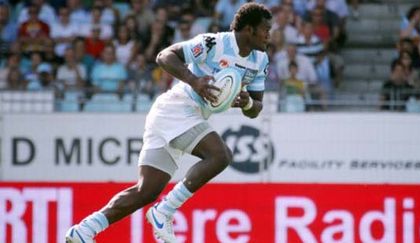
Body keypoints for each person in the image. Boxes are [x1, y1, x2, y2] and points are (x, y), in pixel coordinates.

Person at [65, 2, 272, 243]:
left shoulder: (260, 61)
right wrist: (195, 81)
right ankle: (164, 210)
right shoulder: (214, 43)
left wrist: (247, 103)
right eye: (266, 29)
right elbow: (165, 56)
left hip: (182, 117)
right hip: (177, 108)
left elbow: (256, 107)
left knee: (146, 191)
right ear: (249, 30)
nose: (270, 34)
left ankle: (83, 230)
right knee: (221, 156)